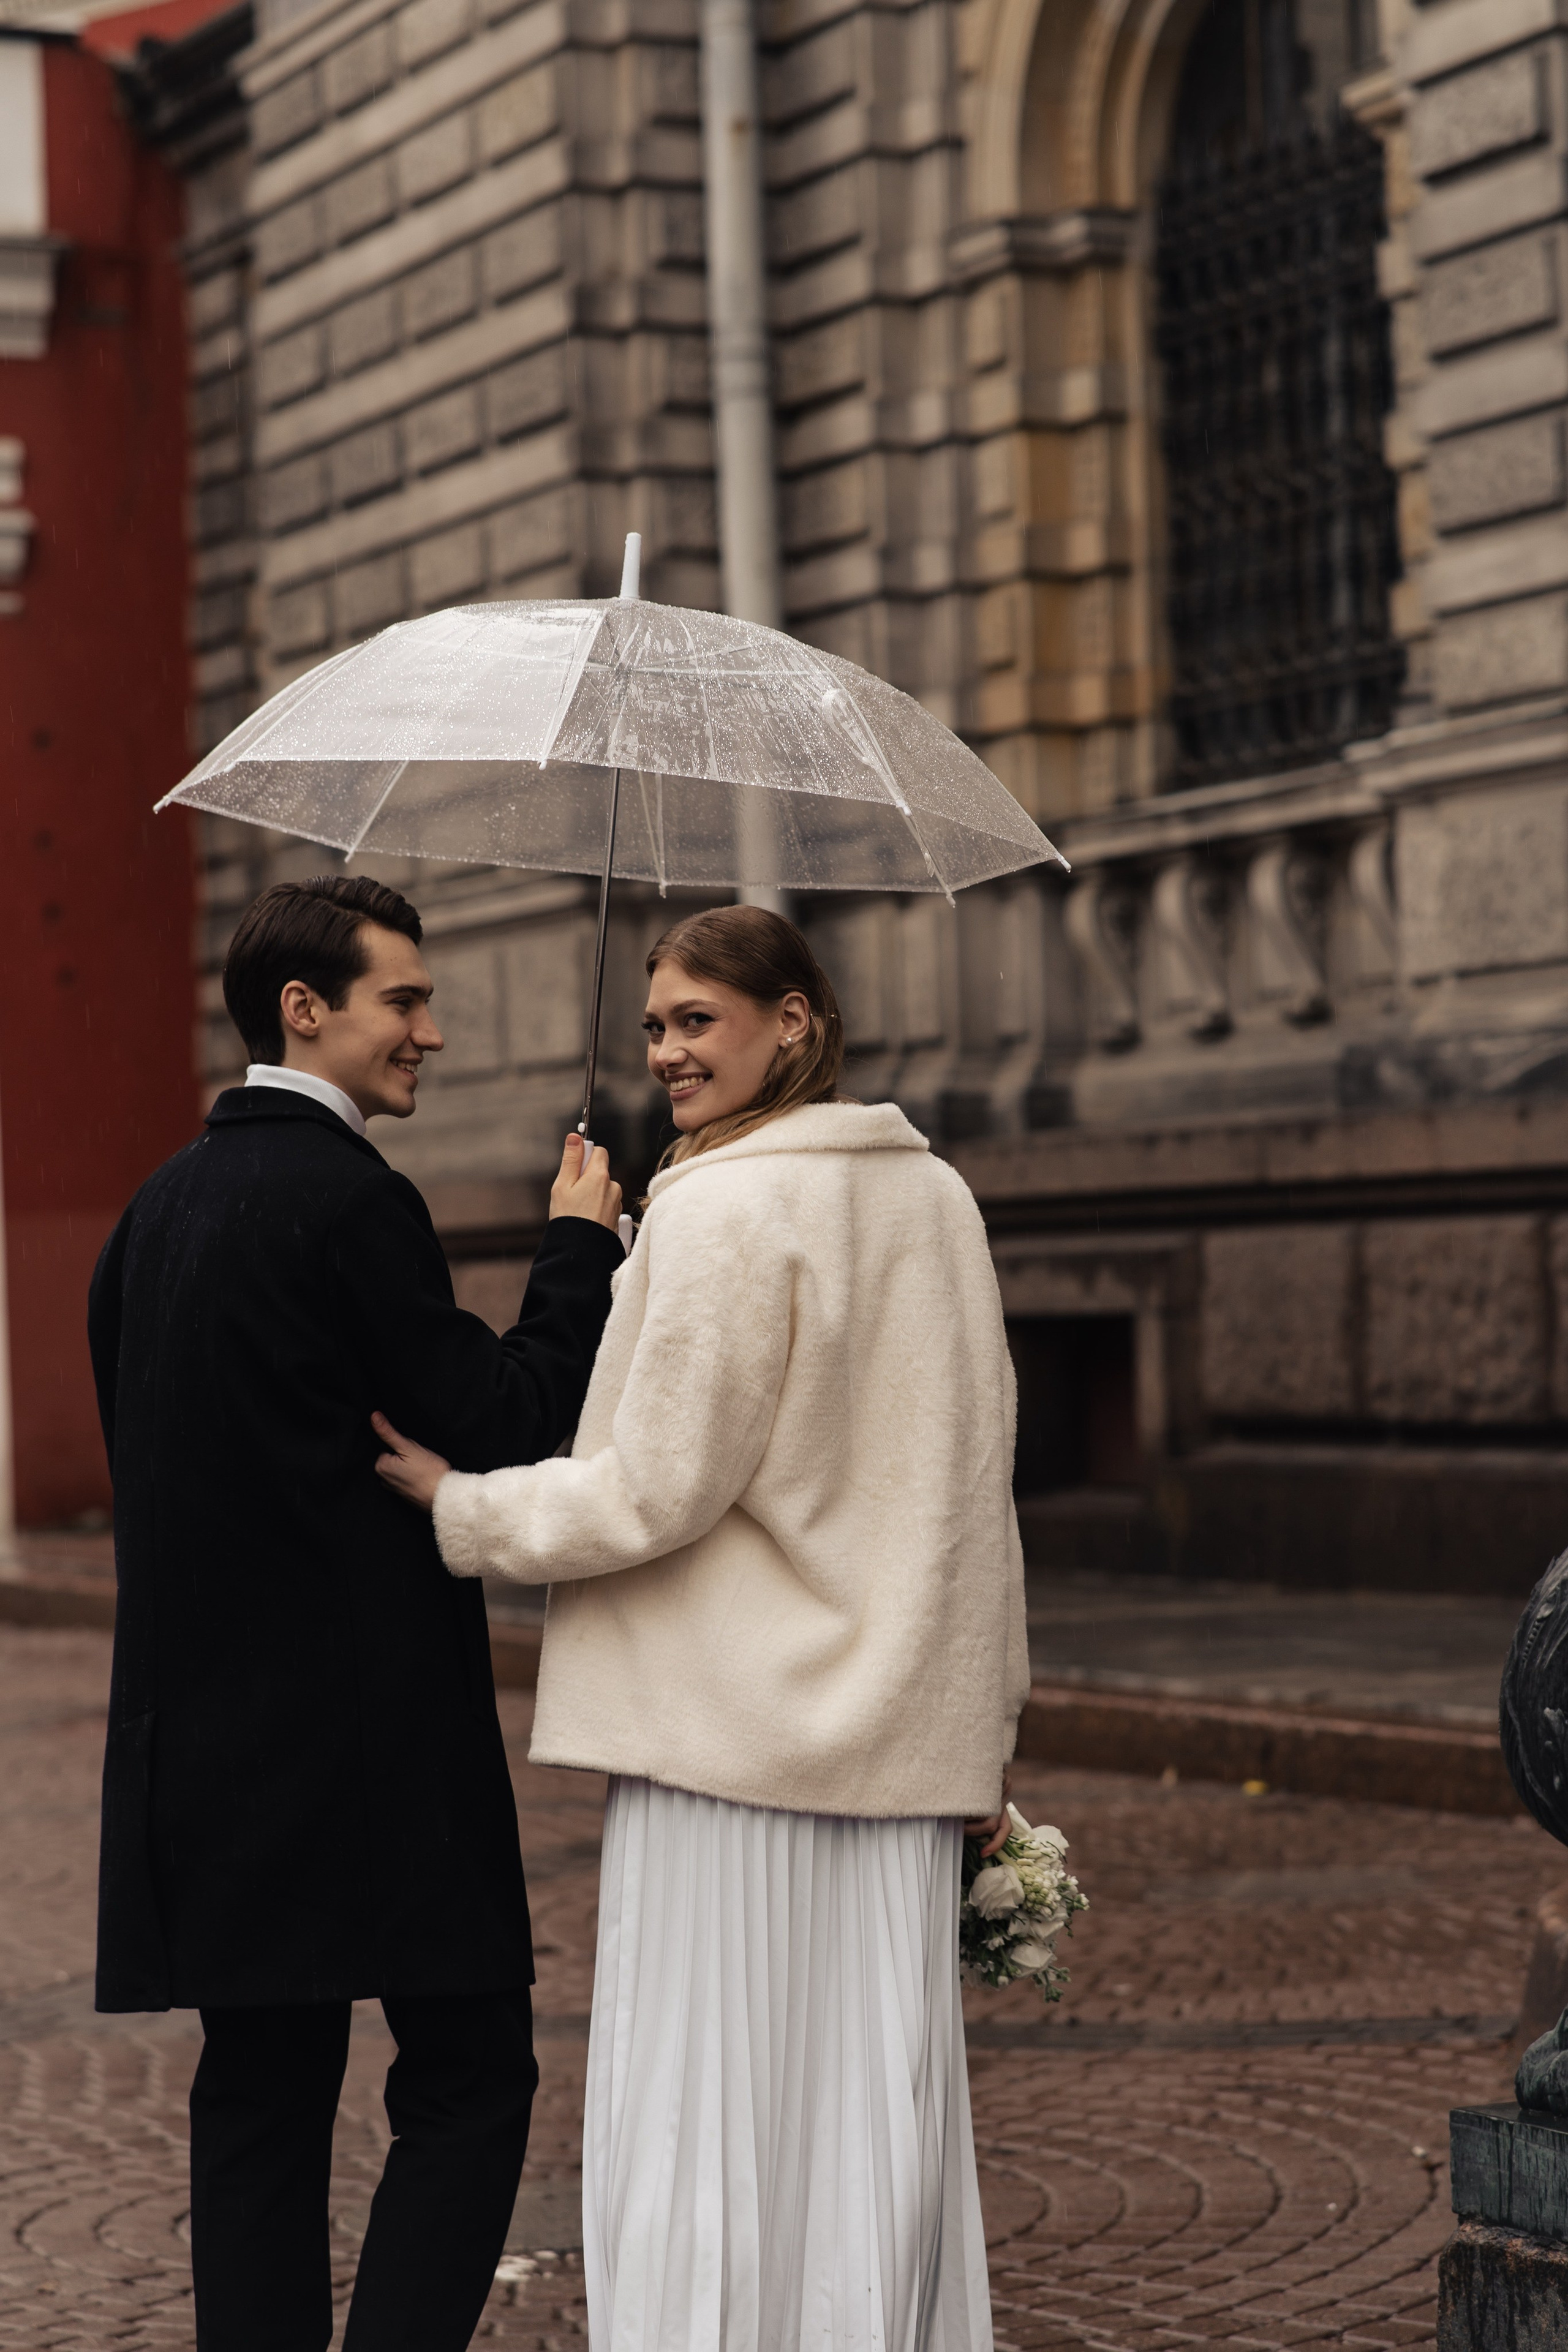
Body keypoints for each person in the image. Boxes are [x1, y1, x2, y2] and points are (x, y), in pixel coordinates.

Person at [374, 903, 1028, 2352]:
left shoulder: (722, 1208)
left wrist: (464, 1506)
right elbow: (974, 1492)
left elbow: (655, 1488)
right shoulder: (933, 1198)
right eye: (653, 1026)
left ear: (791, 1022)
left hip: (727, 1753)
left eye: (695, 1021)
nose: (665, 1051)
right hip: (888, 1755)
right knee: (865, 2116)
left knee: (706, 2111)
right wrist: (981, 1735)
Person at [88, 873, 624, 2352]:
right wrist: (577, 1247)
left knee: (259, 2098)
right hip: (370, 1750)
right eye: (404, 999)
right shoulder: (349, 1200)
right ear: (303, 1009)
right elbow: (499, 1416)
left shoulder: (151, 1214)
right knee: (471, 2076)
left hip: (204, 1758)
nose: (430, 1033)